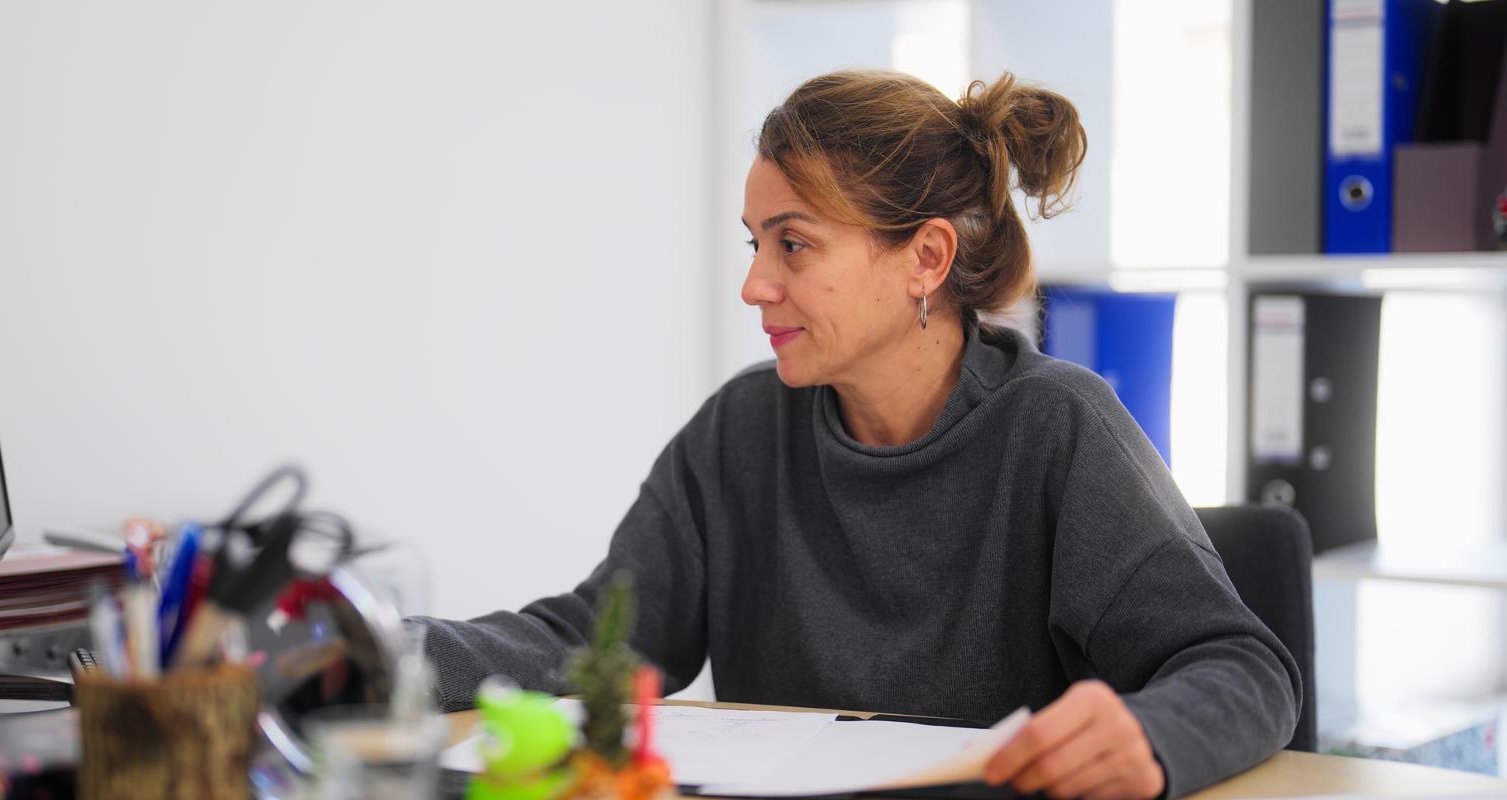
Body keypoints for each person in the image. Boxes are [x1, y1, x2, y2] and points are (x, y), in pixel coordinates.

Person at [410, 69, 1300, 800]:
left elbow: (1243, 666)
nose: (755, 285)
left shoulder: (1055, 425)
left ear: (926, 258)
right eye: (755, 242)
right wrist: (378, 652)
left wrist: (1148, 735)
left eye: (792, 245)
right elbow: (601, 643)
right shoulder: (742, 429)